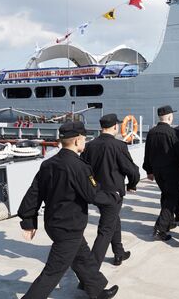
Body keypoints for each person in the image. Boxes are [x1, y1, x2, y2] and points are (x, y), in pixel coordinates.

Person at [17, 121, 119, 299]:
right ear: (78, 141)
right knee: (52, 272)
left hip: (55, 224)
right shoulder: (79, 167)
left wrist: (28, 220)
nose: (85, 143)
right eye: (85, 139)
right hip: (68, 226)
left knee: (83, 259)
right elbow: (92, 195)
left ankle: (97, 291)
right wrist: (114, 197)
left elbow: (34, 193)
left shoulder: (48, 164)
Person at [81, 114, 140, 268]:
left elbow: (84, 171)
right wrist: (132, 184)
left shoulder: (89, 146)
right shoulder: (119, 146)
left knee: (113, 220)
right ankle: (90, 271)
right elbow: (132, 170)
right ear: (115, 127)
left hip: (96, 193)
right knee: (105, 230)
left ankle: (119, 252)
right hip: (113, 194)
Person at [143, 105, 179, 241]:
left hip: (157, 171)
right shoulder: (172, 133)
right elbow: (178, 153)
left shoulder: (151, 132)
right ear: (170, 117)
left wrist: (149, 170)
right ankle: (161, 227)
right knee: (172, 197)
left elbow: (147, 153)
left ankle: (169, 221)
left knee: (165, 195)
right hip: (171, 170)